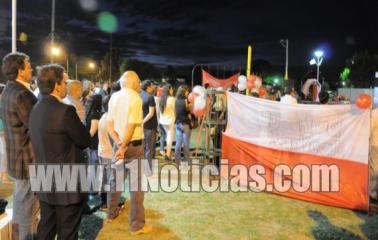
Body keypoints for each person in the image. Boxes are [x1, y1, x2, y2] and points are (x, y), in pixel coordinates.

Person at [29, 64, 91, 240]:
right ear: (56, 84)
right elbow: (85, 140)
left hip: (44, 179)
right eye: (65, 82)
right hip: (66, 184)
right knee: (67, 232)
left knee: (46, 228)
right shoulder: (65, 111)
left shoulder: (36, 108)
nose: (67, 86)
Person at [0, 52, 40, 239]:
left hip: (19, 157)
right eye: (28, 64)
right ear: (20, 70)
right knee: (27, 210)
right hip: (28, 159)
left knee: (23, 204)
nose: (31, 68)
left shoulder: (10, 89)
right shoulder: (22, 93)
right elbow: (38, 126)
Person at [107, 71, 152, 235]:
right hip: (132, 147)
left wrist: (119, 144)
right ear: (132, 82)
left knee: (115, 180)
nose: (140, 84)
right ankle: (137, 225)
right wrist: (123, 146)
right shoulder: (135, 97)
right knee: (136, 186)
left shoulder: (114, 97)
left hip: (118, 145)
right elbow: (131, 125)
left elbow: (110, 124)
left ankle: (110, 214)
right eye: (139, 82)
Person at [141, 80, 158, 175]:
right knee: (150, 148)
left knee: (143, 148)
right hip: (150, 126)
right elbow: (151, 113)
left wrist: (141, 122)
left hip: (142, 126)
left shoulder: (139, 95)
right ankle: (148, 171)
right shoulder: (150, 97)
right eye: (152, 86)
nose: (153, 87)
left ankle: (143, 169)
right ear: (148, 86)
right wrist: (143, 121)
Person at [174, 85, 192, 165]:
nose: (188, 92)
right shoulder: (185, 100)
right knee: (186, 144)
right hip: (185, 124)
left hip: (177, 123)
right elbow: (188, 111)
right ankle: (187, 160)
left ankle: (177, 161)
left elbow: (176, 112)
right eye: (187, 91)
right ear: (183, 92)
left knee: (178, 143)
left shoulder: (176, 100)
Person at [159, 84, 175, 161]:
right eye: (171, 89)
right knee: (170, 138)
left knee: (167, 137)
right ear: (169, 90)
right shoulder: (171, 99)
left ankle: (167, 153)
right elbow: (175, 110)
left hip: (162, 121)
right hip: (170, 121)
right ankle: (168, 155)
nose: (173, 91)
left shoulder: (162, 98)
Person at [0, 85, 9, 183]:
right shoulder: (2, 103)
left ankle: (3, 175)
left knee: (3, 153)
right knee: (4, 153)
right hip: (2, 132)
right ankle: (4, 176)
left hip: (3, 132)